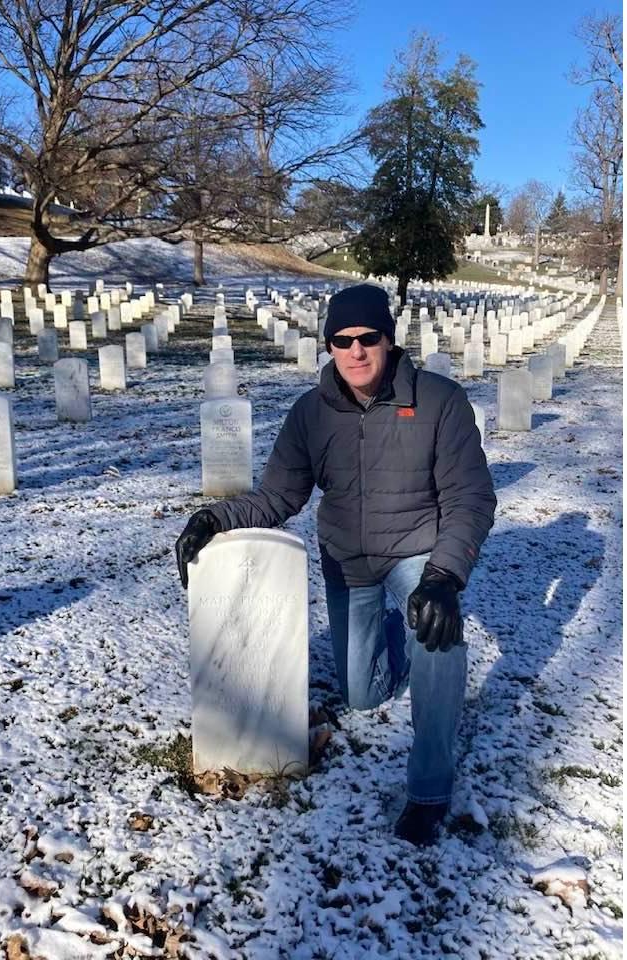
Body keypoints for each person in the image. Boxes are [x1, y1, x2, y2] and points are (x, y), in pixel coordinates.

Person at [175, 283, 496, 846]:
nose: (356, 351)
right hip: (348, 560)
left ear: (389, 340)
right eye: (342, 340)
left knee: (440, 636)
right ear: (328, 346)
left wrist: (445, 576)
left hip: (416, 552)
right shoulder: (311, 413)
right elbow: (279, 494)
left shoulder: (441, 402)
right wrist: (215, 518)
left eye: (368, 337)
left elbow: (471, 498)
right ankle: (392, 641)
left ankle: (429, 791)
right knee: (362, 695)